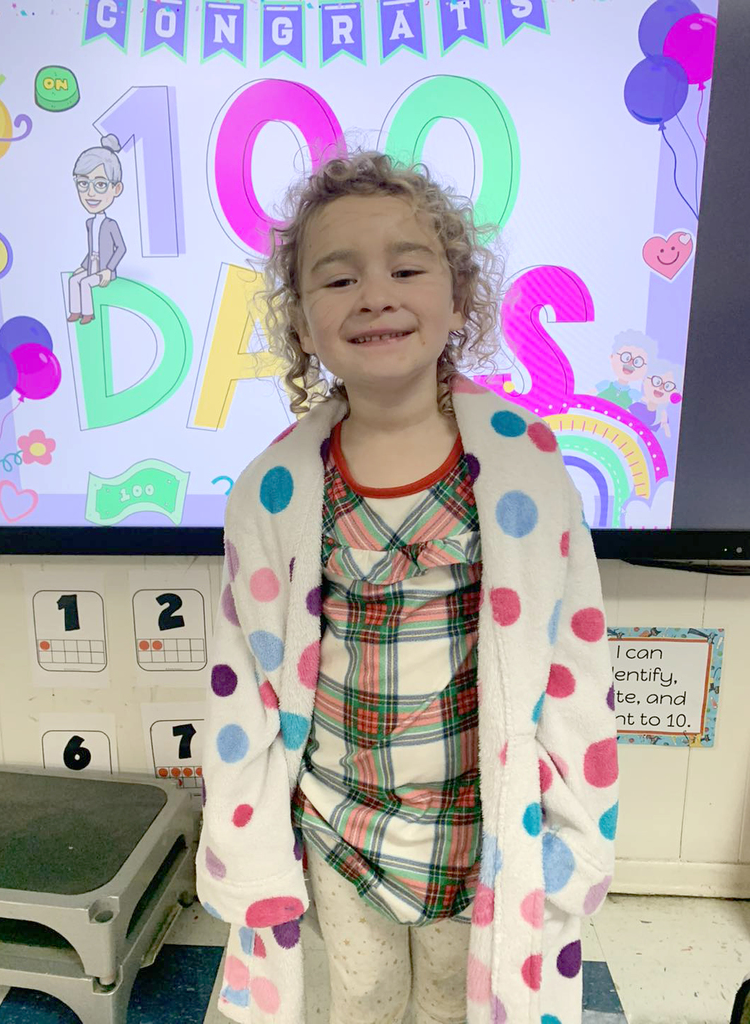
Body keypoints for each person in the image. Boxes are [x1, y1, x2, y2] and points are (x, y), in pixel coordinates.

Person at [196, 150, 619, 1024]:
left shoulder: (527, 468)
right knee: (363, 1001)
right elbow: (244, 684)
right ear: (302, 322)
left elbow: (576, 660)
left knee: (454, 1007)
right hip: (342, 827)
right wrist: (246, 841)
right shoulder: (272, 491)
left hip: (483, 832)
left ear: (459, 299)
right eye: (338, 277)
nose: (375, 295)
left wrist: (579, 824)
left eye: (407, 268)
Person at [67, 134, 126, 325]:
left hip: (104, 270)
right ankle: (75, 311)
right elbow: (91, 249)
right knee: (74, 280)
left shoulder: (110, 224)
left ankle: (88, 314)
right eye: (83, 183)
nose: (90, 192)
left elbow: (121, 248)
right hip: (92, 266)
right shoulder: (90, 223)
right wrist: (83, 266)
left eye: (100, 184)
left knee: (85, 283)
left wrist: (109, 270)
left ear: (116, 189)